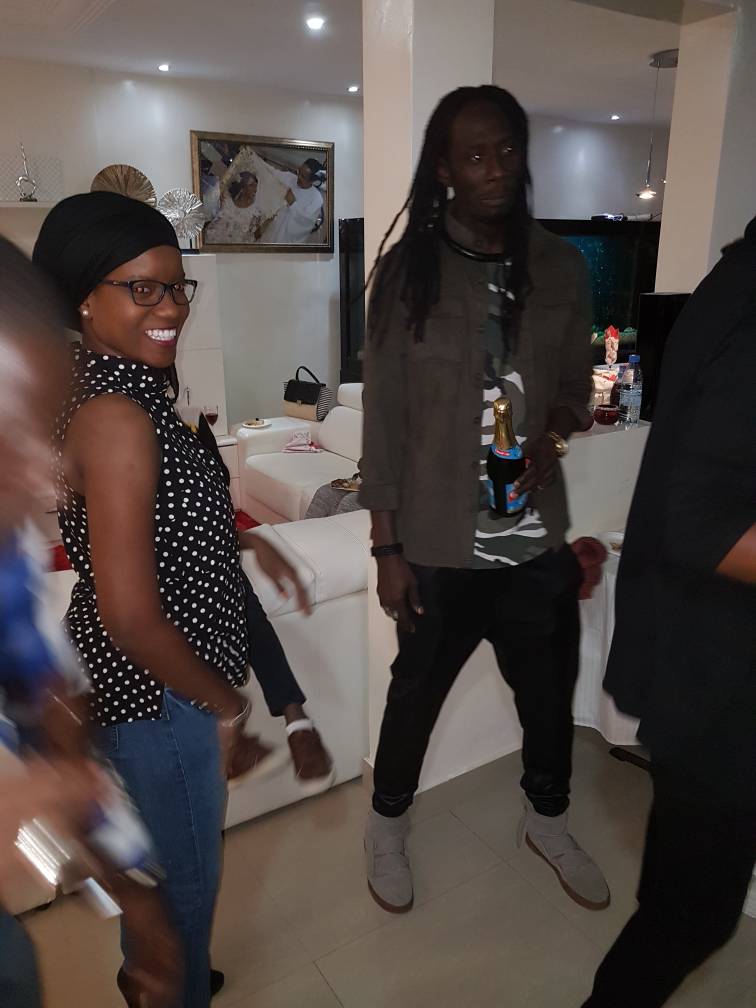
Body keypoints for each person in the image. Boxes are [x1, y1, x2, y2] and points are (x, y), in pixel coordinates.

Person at [32, 191, 310, 1008]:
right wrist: (226, 705)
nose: (172, 308)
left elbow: (153, 529)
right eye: (142, 288)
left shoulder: (111, 389)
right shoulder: (118, 415)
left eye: (177, 286)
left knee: (165, 878)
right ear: (84, 297)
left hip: (142, 690)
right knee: (185, 894)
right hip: (161, 697)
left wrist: (244, 542)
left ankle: (150, 976)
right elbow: (130, 614)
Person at [360, 85, 610, 915]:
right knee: (415, 695)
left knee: (547, 698)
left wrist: (553, 440)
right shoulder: (408, 274)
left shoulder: (560, 266)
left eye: (506, 150)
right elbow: (384, 422)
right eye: (474, 155)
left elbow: (575, 389)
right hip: (436, 544)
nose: (495, 169)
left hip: (535, 542)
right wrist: (386, 548)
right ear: (444, 169)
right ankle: (387, 826)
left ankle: (549, 821)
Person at [0, 235, 179, 1008]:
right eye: (4, 443)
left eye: (40, 432)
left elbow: (44, 712)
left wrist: (134, 892)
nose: (47, 483)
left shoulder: (6, 562)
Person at [581, 219, 756, 1007]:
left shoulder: (728, 283)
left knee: (678, 901)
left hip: (703, 664)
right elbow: (701, 522)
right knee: (691, 916)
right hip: (723, 682)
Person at [261, 158, 325, 244]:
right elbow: (272, 172)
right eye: (299, 172)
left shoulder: (316, 198)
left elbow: (306, 222)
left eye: (303, 177)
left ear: (312, 181)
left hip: (286, 242)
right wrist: (255, 158)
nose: (298, 177)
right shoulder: (290, 177)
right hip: (271, 233)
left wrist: (293, 203)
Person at [205, 171, 263, 245]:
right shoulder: (226, 201)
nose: (255, 189)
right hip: (212, 242)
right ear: (242, 187)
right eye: (251, 185)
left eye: (256, 185)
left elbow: (257, 236)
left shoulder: (255, 212)